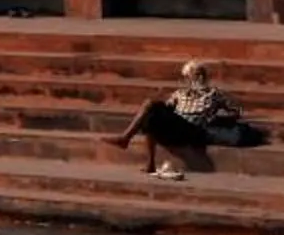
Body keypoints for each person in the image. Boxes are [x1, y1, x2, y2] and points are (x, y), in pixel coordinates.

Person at [112, 60, 266, 179]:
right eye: (185, 78)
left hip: (194, 129)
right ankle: (149, 162)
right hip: (178, 125)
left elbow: (235, 111)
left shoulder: (213, 94)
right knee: (150, 113)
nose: (186, 81)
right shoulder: (180, 93)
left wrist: (220, 118)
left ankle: (125, 138)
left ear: (199, 77)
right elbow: (167, 108)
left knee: (150, 105)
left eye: (189, 77)